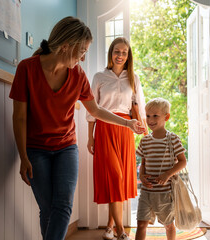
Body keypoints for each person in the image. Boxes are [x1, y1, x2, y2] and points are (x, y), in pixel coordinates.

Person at [9, 17, 145, 240]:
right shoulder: (27, 69)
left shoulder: (78, 75)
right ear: (66, 46)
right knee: (48, 209)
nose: (83, 57)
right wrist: (23, 156)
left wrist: (128, 122)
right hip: (36, 149)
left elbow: (97, 111)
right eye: (82, 51)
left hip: (66, 147)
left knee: (62, 206)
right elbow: (19, 117)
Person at [86, 37, 148, 240]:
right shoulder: (99, 77)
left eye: (124, 52)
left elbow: (139, 105)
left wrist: (145, 132)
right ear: (110, 53)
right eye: (117, 51)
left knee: (120, 182)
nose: (120, 55)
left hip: (126, 131)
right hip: (104, 129)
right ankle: (121, 231)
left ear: (128, 55)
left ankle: (109, 227)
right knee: (115, 177)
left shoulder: (134, 78)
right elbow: (92, 109)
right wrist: (90, 137)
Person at [135, 98, 187, 240]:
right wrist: (142, 176)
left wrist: (167, 174)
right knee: (141, 224)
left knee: (168, 225)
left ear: (167, 117)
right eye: (148, 116)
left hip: (165, 193)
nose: (150, 120)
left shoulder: (173, 139)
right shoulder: (145, 140)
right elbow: (143, 163)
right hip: (146, 191)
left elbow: (183, 162)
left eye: (155, 116)